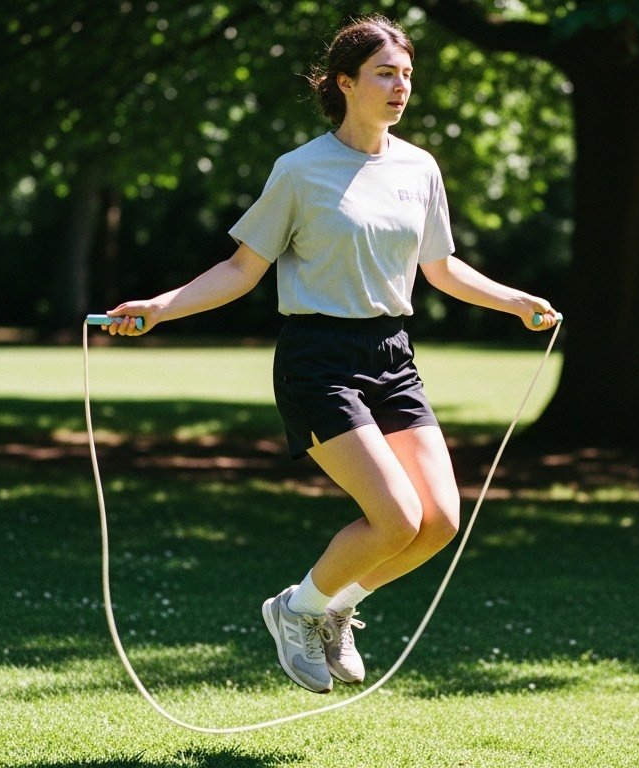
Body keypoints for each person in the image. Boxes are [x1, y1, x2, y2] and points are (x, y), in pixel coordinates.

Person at [103, 14, 558, 694]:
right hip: (318, 359)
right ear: (345, 83)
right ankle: (296, 611)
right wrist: (161, 307)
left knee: (438, 522)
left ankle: (333, 606)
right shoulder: (299, 170)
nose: (400, 87)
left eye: (406, 74)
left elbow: (441, 269)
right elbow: (240, 270)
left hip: (393, 354)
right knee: (396, 517)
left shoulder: (420, 168)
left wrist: (515, 300)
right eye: (384, 73)